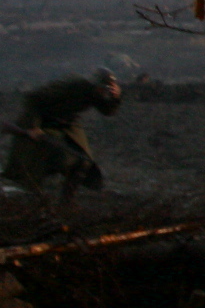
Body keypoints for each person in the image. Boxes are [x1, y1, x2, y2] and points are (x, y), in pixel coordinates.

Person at [3, 68, 122, 206]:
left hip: (67, 124)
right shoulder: (71, 86)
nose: (105, 92)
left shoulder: (96, 93)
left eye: (108, 89)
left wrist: (116, 98)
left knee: (84, 161)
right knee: (39, 158)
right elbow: (33, 99)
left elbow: (108, 111)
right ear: (94, 84)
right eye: (104, 88)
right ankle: (33, 195)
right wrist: (33, 127)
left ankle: (67, 202)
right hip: (42, 120)